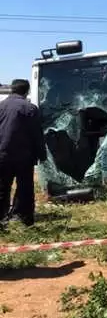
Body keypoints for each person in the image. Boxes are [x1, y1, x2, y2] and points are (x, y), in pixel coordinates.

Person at [0, 79, 47, 226]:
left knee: (2, 187)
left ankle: (1, 219)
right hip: (23, 156)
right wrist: (42, 154)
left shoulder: (0, 106)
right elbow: (36, 134)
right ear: (27, 91)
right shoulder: (30, 108)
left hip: (2, 154)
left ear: (12, 90)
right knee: (25, 186)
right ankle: (22, 217)